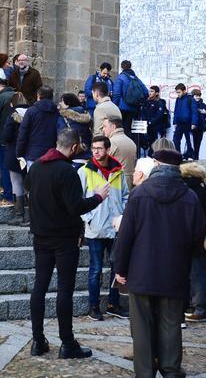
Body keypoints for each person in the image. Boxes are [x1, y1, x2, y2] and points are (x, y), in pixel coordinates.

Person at [114, 149, 206, 378]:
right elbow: (198, 238)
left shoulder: (140, 193)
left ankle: (145, 372)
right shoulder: (189, 197)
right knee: (171, 324)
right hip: (174, 271)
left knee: (142, 328)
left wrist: (120, 268)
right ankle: (170, 368)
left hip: (141, 271)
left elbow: (125, 236)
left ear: (156, 164)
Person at [26, 128, 109, 359]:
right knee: (64, 289)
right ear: (74, 147)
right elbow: (75, 207)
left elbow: (28, 191)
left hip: (41, 237)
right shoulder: (67, 171)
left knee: (39, 287)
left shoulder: (36, 167)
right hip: (63, 239)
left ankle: (38, 340)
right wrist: (98, 197)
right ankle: (67, 342)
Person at [79, 136, 130, 321]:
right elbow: (78, 200)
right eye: (93, 149)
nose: (96, 152)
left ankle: (113, 304)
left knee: (117, 268)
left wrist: (122, 215)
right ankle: (93, 306)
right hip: (95, 229)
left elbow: (125, 195)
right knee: (96, 269)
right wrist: (89, 218)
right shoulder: (84, 171)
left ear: (108, 150)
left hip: (115, 228)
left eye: (99, 148)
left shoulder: (119, 171)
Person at [180, 161, 206, 324]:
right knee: (196, 273)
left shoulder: (189, 189)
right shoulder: (202, 187)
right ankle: (196, 306)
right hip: (202, 237)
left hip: (193, 238)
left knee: (196, 274)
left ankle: (201, 308)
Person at [4, 93, 31, 225]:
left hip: (13, 151)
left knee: (16, 182)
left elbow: (7, 135)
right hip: (29, 152)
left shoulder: (12, 114)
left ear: (12, 103)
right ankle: (33, 216)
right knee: (30, 185)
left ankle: (19, 215)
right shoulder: (32, 113)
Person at [16, 86, 59, 170]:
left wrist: (19, 152)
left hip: (33, 154)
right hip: (51, 152)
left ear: (38, 96)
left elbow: (23, 132)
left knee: (33, 181)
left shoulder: (31, 111)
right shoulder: (56, 112)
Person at [0, 79, 17, 208]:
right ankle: (16, 194)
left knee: (5, 167)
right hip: (17, 138)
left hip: (3, 137)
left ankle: (7, 197)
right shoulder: (18, 96)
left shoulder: (0, 98)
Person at [111, 60, 148, 146]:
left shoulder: (120, 77)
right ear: (130, 67)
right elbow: (146, 92)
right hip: (134, 109)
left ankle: (123, 149)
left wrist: (114, 106)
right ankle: (132, 149)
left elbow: (116, 94)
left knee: (121, 130)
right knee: (131, 131)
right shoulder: (136, 78)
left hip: (122, 109)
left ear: (122, 67)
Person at [57, 93, 92, 167]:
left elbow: (61, 134)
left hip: (71, 153)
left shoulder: (62, 117)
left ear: (68, 104)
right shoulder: (85, 115)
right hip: (86, 152)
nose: (60, 103)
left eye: (62, 101)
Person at [102, 116, 137, 189]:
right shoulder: (131, 142)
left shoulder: (112, 142)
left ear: (113, 127)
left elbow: (100, 163)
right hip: (129, 183)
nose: (103, 129)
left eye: (105, 126)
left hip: (116, 183)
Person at [140, 85, 169, 157]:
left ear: (156, 93)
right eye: (149, 91)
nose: (150, 93)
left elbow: (159, 115)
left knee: (156, 143)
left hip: (156, 127)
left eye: (152, 91)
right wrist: (145, 122)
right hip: (147, 127)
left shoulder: (160, 102)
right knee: (147, 142)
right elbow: (143, 113)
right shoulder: (146, 102)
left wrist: (151, 122)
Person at [172, 83, 197, 160]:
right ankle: (178, 155)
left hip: (188, 123)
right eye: (177, 92)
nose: (178, 94)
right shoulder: (178, 99)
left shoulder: (190, 99)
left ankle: (190, 155)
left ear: (184, 91)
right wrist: (175, 122)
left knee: (188, 140)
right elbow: (176, 111)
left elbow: (194, 111)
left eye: (179, 92)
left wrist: (194, 123)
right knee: (176, 139)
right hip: (179, 123)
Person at [190, 89, 206, 159]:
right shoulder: (191, 103)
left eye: (199, 96)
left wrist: (203, 111)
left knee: (198, 143)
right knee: (192, 143)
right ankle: (192, 156)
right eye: (196, 96)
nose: (198, 97)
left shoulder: (202, 104)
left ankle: (196, 157)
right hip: (193, 126)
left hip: (201, 126)